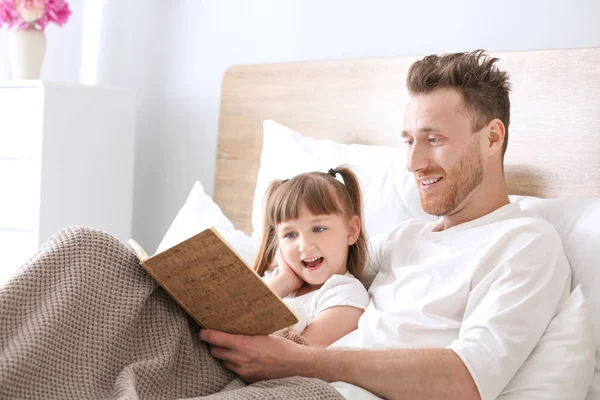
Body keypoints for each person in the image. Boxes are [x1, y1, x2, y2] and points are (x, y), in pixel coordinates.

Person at [200, 50, 572, 400]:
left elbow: (469, 378)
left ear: (492, 138)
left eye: (433, 139)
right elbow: (320, 273)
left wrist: (300, 361)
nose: (413, 162)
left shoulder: (525, 244)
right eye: (409, 141)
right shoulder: (401, 238)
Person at [253, 166, 370, 347]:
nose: (304, 245)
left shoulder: (345, 295)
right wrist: (283, 281)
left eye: (318, 229)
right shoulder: (274, 278)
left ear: (351, 231)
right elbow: (234, 320)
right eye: (290, 234)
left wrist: (283, 283)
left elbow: (291, 358)